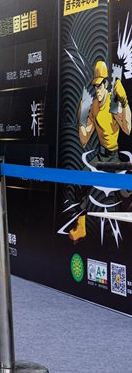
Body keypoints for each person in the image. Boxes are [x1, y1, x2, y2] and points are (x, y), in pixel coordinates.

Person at [72, 59, 131, 240]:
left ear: (105, 84)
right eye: (95, 86)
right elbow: (84, 139)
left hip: (113, 157)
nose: (96, 89)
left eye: (99, 85)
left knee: (125, 192)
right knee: (80, 182)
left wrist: (125, 103)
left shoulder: (113, 103)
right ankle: (81, 227)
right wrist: (82, 118)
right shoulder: (94, 107)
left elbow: (128, 128)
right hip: (100, 155)